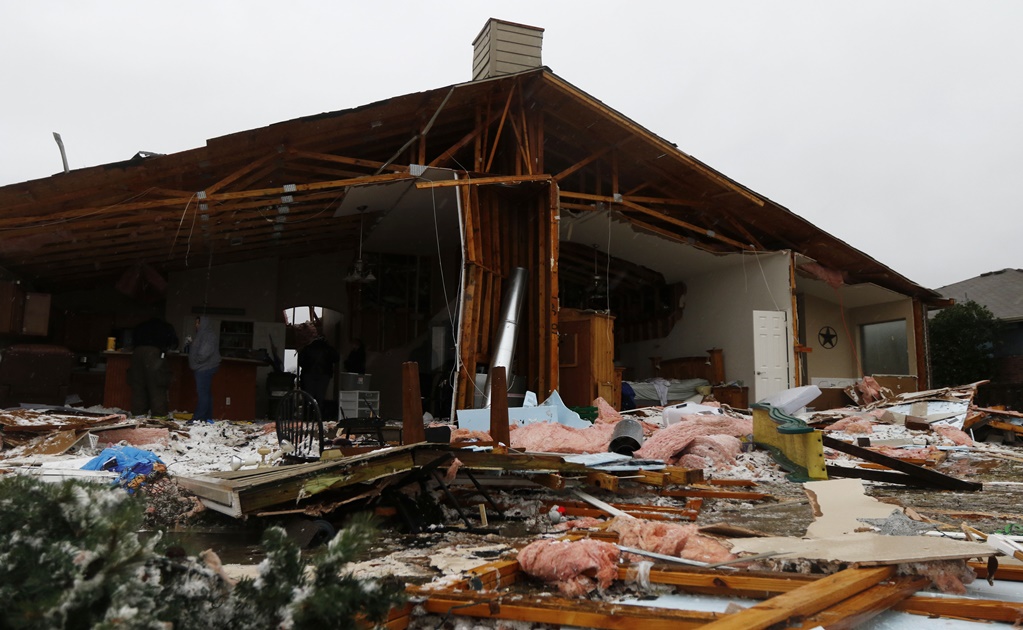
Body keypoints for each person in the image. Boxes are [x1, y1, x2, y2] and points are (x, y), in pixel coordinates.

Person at [129, 317, 178, 417]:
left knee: (138, 385)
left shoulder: (140, 327)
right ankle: (159, 415)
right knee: (157, 385)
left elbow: (132, 341)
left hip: (137, 353)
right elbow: (173, 343)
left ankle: (139, 414)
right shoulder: (166, 327)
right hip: (154, 354)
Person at [188, 315, 221, 422]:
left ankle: (198, 418)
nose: (196, 325)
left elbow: (204, 352)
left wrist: (196, 360)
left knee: (203, 393)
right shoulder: (203, 335)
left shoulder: (207, 335)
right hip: (204, 366)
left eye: (198, 323)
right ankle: (207, 417)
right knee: (206, 393)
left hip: (204, 367)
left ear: (203, 324)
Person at [298, 335, 339, 412]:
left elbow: (300, 361)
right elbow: (336, 358)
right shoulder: (328, 348)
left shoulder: (308, 348)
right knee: (321, 395)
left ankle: (308, 415)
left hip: (309, 374)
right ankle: (319, 415)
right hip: (324, 374)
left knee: (309, 395)